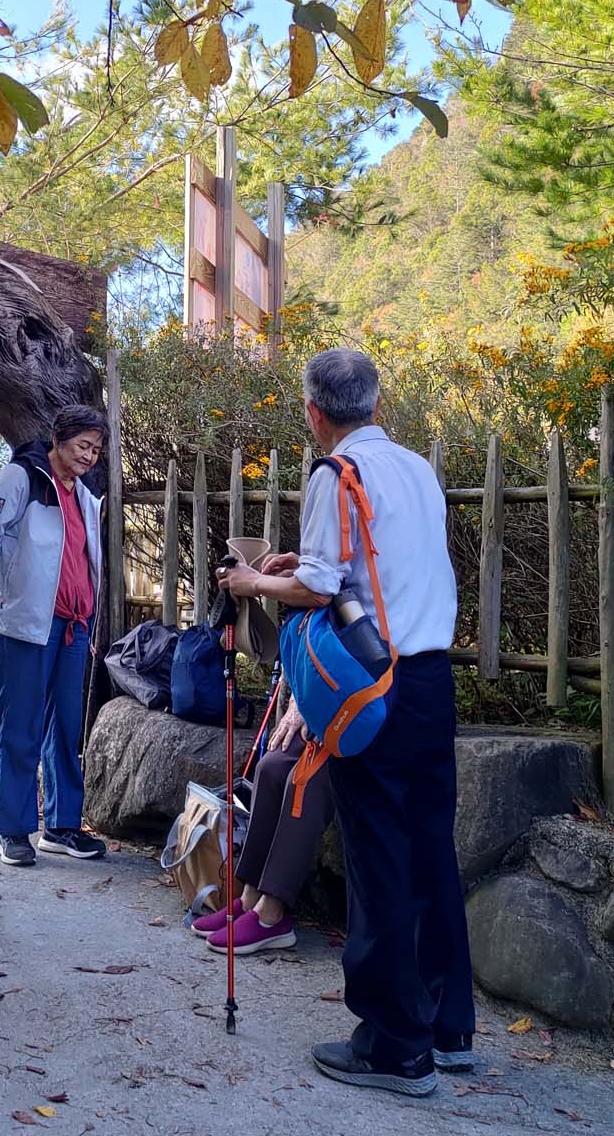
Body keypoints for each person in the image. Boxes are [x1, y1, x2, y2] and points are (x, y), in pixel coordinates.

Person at [216, 347, 471, 1097]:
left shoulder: (336, 474)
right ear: (377, 404)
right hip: (429, 680)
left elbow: (323, 588)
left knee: (379, 856)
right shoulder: (417, 469)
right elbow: (384, 565)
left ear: (314, 412)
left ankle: (395, 1047)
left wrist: (252, 578)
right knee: (430, 851)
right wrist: (308, 566)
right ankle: (447, 1026)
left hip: (374, 685)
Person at [0, 404, 107, 869]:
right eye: (83, 446)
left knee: (67, 727)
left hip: (73, 625)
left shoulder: (84, 494)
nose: (89, 456)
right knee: (20, 725)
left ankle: (63, 824)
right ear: (59, 438)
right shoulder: (23, 477)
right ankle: (13, 830)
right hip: (30, 623)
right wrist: (10, 586)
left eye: (96, 449)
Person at [192, 700, 334, 956]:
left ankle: (271, 913)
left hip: (369, 717)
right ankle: (250, 897)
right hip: (330, 707)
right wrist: (300, 701)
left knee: (304, 781)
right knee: (270, 768)